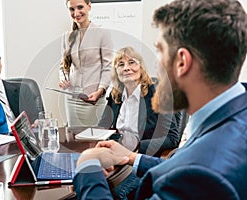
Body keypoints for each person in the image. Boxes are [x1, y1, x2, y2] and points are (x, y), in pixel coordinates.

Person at [73, 0, 247, 199]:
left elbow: (191, 169)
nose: (156, 64)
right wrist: (130, 157)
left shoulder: (203, 174)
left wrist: (87, 169)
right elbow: (182, 164)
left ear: (182, 62)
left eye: (160, 50)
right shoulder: (235, 115)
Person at [98, 46, 181, 199]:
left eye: (132, 62)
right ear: (116, 71)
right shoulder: (115, 95)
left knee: (115, 193)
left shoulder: (157, 94)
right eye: (121, 64)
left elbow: (172, 138)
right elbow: (101, 127)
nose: (126, 68)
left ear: (141, 67)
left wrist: (136, 147)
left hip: (142, 159)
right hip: (117, 159)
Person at [59, 0, 114, 127]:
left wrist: (100, 91)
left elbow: (108, 67)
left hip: (94, 96)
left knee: (94, 138)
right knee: (73, 138)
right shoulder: (67, 36)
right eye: (72, 9)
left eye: (80, 7)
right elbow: (63, 66)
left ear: (89, 6)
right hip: (72, 96)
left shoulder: (102, 33)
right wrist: (63, 79)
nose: (76, 13)